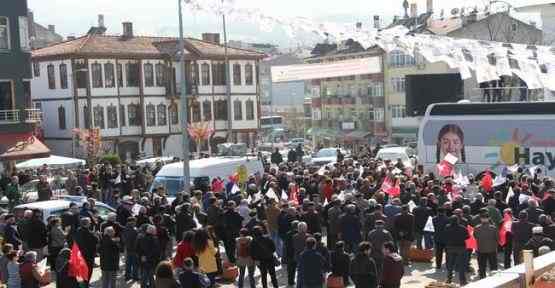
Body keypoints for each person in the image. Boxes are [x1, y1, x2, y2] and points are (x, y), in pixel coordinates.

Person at [444, 216, 469, 286]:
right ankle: (462, 280)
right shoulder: (463, 228)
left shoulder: (447, 227)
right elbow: (468, 237)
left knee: (450, 264)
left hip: (450, 247)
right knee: (461, 265)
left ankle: (449, 279)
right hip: (461, 248)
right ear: (458, 221)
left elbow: (445, 235)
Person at [73, 217, 98, 287]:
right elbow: (96, 240)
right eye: (89, 222)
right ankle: (86, 284)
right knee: (88, 270)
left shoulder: (78, 230)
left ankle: (85, 282)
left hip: (80, 253)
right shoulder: (88, 232)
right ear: (87, 224)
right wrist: (95, 234)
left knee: (83, 269)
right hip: (88, 254)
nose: (90, 223)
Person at [473, 214, 499, 279]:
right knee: (493, 266)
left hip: (480, 249)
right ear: (489, 218)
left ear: (481, 219)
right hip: (492, 249)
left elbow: (474, 237)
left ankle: (482, 278)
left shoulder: (476, 228)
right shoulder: (493, 228)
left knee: (482, 266)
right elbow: (497, 238)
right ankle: (494, 279)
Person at [122, 216, 140, 282]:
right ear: (132, 222)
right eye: (134, 221)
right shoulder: (134, 230)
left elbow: (123, 239)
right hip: (134, 249)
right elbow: (137, 240)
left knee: (128, 263)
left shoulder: (125, 229)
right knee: (135, 263)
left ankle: (127, 276)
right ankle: (135, 276)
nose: (135, 222)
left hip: (127, 248)